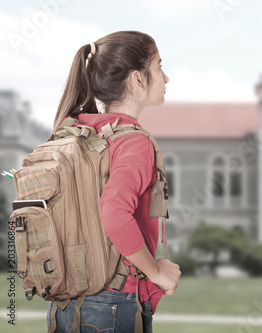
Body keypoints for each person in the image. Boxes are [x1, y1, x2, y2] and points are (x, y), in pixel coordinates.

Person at [46, 30, 181, 332]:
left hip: (65, 303)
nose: (166, 78)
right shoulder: (134, 142)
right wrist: (156, 271)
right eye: (159, 66)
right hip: (112, 304)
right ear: (137, 78)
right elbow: (115, 214)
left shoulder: (76, 132)